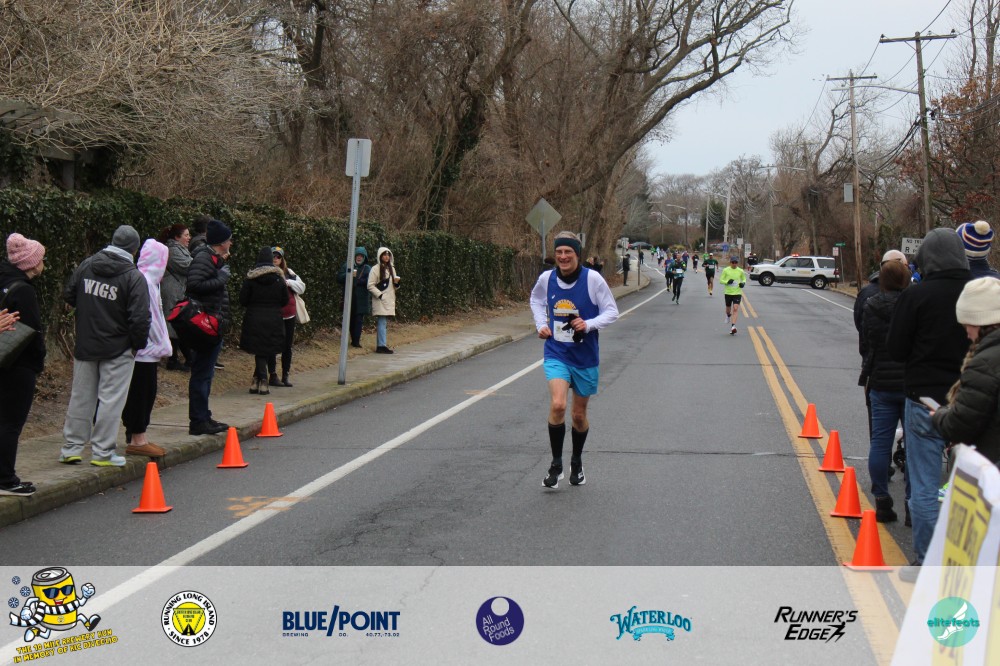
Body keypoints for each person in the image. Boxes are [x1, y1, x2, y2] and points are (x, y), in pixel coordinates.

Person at [886, 229, 971, 581]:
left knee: (923, 484)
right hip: (973, 401)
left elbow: (896, 349)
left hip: (924, 399)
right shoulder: (980, 293)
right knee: (972, 487)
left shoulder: (916, 296)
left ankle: (926, 562)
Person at [531, 231, 618, 488]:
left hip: (585, 356)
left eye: (568, 252)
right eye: (559, 252)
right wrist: (541, 324)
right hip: (556, 352)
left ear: (577, 254)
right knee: (558, 405)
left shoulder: (592, 279)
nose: (563, 256)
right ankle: (556, 464)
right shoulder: (547, 279)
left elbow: (612, 311)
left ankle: (576, 462)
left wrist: (588, 324)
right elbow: (536, 300)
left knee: (578, 415)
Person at [60, 225, 150, 467]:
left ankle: (71, 448)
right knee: (111, 400)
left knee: (81, 397)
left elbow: (70, 294)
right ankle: (102, 452)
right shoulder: (134, 277)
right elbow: (140, 318)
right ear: (135, 249)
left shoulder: (87, 265)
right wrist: (136, 346)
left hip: (86, 342)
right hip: (118, 347)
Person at [860, 260, 911, 523]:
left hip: (880, 381)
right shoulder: (913, 305)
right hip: (910, 382)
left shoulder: (871, 306)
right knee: (914, 445)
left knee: (880, 442)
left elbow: (866, 343)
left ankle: (881, 499)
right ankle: (913, 504)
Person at [931, 277, 1000, 466]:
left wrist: (940, 416)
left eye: (966, 324)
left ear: (980, 321)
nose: (967, 333)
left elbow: (960, 427)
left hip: (989, 467)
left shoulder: (983, 364)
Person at [0, 234, 46, 496]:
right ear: (31, 263)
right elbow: (33, 331)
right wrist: (38, 361)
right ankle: (6, 478)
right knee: (11, 421)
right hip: (19, 364)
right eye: (41, 259)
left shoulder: (4, 281)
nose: (43, 264)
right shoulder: (24, 291)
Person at [121, 240, 171, 458]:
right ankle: (138, 438)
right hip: (144, 350)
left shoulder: (142, 280)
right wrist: (160, 345)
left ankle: (134, 433)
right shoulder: (146, 283)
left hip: (142, 349)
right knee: (143, 394)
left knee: (138, 393)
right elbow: (149, 319)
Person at [186, 218, 233, 435]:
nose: (231, 243)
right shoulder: (203, 258)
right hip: (205, 324)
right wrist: (221, 278)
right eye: (228, 239)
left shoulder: (213, 258)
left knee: (206, 373)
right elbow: (195, 285)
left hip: (214, 323)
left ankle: (204, 415)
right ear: (221, 242)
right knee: (202, 372)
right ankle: (198, 420)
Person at [855, 250, 908, 439]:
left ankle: (880, 458)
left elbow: (862, 332)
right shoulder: (913, 299)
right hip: (908, 378)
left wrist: (868, 359)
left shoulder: (867, 297)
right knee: (912, 435)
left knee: (878, 435)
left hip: (877, 375)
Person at [239, 247, 288, 395]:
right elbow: (284, 300)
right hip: (274, 318)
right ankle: (259, 381)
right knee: (265, 348)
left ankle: (260, 380)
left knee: (259, 349)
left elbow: (243, 300)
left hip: (254, 317)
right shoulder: (279, 279)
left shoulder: (251, 279)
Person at [267, 247, 305, 387]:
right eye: (273, 256)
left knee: (287, 346)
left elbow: (302, 287)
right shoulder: (266, 272)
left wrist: (288, 282)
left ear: (282, 259)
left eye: (278, 256)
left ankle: (285, 375)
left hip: (289, 314)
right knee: (272, 345)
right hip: (274, 315)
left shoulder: (290, 273)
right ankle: (272, 374)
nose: (275, 259)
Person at [158, 223, 193, 371]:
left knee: (176, 323)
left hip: (178, 290)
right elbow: (187, 267)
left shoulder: (179, 249)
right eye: (186, 235)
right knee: (173, 324)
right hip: (171, 290)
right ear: (177, 237)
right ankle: (172, 360)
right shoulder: (172, 250)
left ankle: (179, 358)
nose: (189, 237)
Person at [367, 246, 400, 354]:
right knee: (382, 321)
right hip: (381, 299)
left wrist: (397, 284)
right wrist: (380, 295)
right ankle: (381, 345)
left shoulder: (392, 268)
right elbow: (370, 285)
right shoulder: (375, 269)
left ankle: (381, 345)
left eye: (388, 254)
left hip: (389, 299)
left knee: (383, 322)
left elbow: (393, 286)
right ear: (380, 256)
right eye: (384, 255)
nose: (387, 257)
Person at [338, 247, 371, 348]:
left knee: (358, 320)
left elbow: (370, 281)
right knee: (350, 319)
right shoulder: (347, 265)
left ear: (364, 257)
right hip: (349, 297)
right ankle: (351, 339)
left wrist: (359, 281)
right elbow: (339, 278)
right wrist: (348, 275)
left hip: (361, 299)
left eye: (361, 256)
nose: (359, 258)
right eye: (357, 255)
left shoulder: (367, 268)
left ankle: (356, 341)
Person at [719, 256, 746, 335]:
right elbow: (721, 280)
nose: (734, 264)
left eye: (736, 262)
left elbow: (744, 279)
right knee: (728, 309)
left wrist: (743, 283)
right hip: (728, 292)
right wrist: (727, 282)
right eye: (733, 262)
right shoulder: (726, 270)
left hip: (737, 292)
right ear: (730, 262)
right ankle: (728, 315)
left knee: (735, 308)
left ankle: (733, 326)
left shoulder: (740, 271)